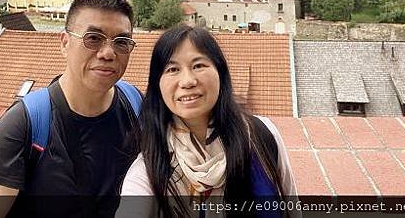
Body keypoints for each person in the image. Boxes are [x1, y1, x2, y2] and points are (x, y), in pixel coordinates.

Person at [0, 0, 141, 218]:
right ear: (64, 43)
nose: (108, 53)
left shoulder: (135, 103)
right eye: (93, 38)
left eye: (121, 42)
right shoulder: (25, 125)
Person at [118, 25, 297, 218]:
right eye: (172, 69)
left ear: (220, 72)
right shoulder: (151, 170)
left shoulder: (262, 136)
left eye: (198, 66)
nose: (187, 81)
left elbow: (292, 210)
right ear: (158, 85)